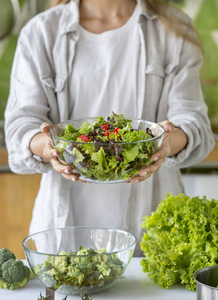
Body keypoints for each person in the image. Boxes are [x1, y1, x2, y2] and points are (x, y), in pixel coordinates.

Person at [4, 0, 215, 256]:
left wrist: (166, 141)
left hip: (153, 230)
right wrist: (48, 147)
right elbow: (20, 126)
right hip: (62, 233)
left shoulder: (175, 29)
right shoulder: (41, 32)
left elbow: (194, 124)